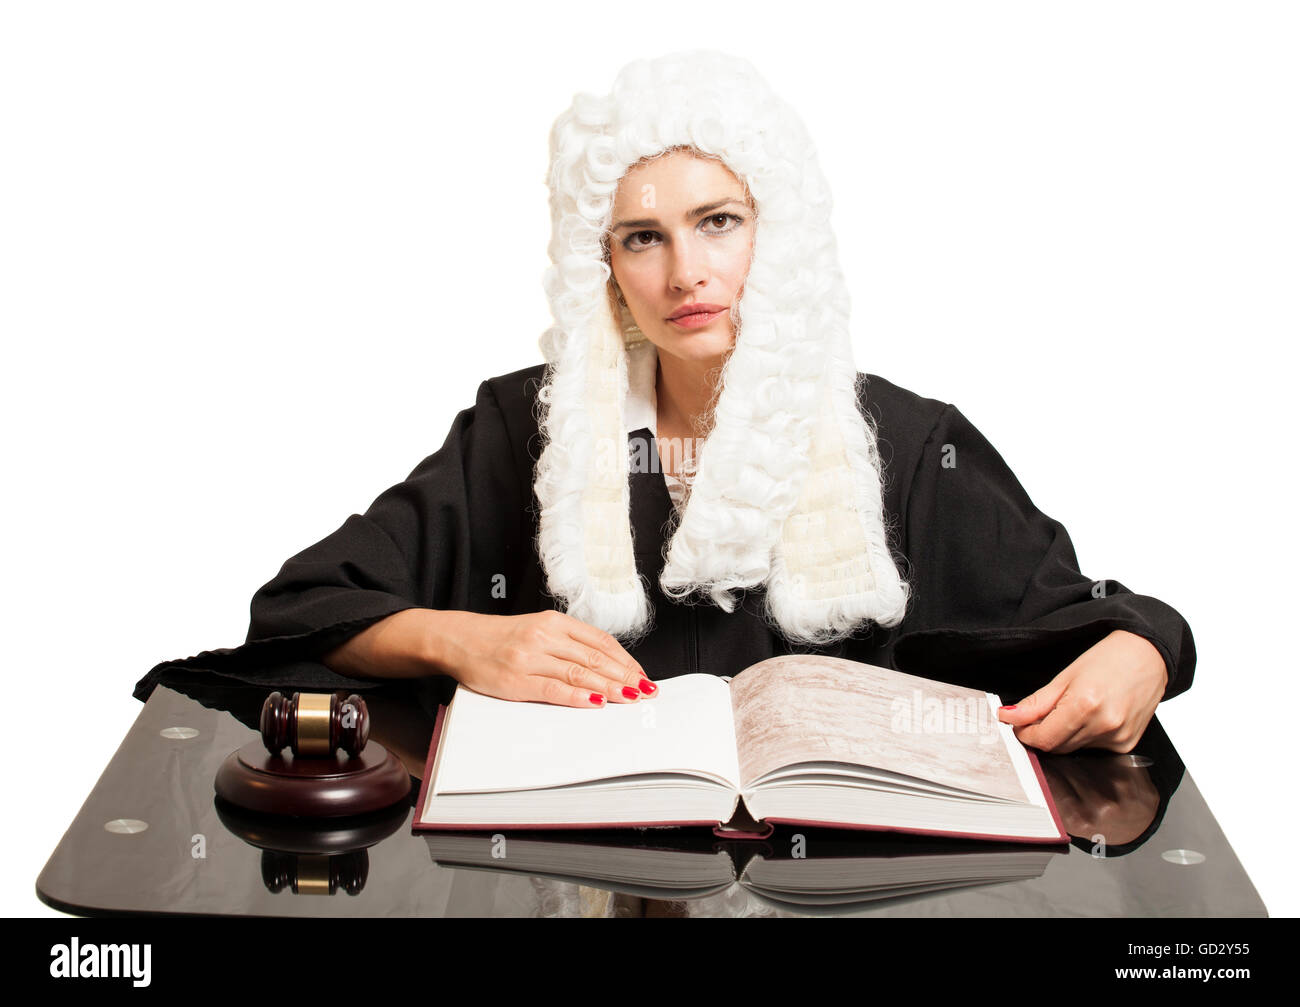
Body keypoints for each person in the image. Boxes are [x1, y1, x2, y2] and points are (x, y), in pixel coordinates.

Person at [133, 50, 1194, 755]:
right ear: (603, 266)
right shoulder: (521, 428)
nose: (685, 271)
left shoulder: (908, 444)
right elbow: (308, 604)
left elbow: (1101, 618)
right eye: (643, 236)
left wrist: (1139, 652)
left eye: (718, 221)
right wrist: (465, 640)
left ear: (776, 233)